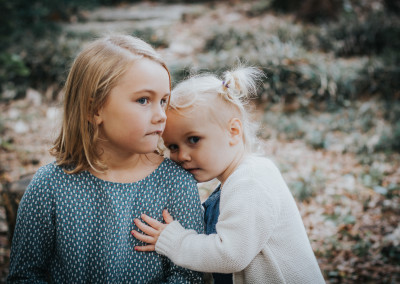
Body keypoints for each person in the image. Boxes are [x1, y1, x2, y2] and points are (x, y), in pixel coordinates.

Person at [7, 35, 205, 283]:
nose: (161, 116)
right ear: (94, 109)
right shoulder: (49, 186)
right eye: (143, 100)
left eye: (164, 101)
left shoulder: (176, 183)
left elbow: (188, 274)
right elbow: (24, 275)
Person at [131, 67, 326, 284]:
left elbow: (231, 255)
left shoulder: (251, 182)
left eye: (194, 139)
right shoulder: (237, 179)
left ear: (233, 131)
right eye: (173, 146)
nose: (182, 155)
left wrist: (175, 241)